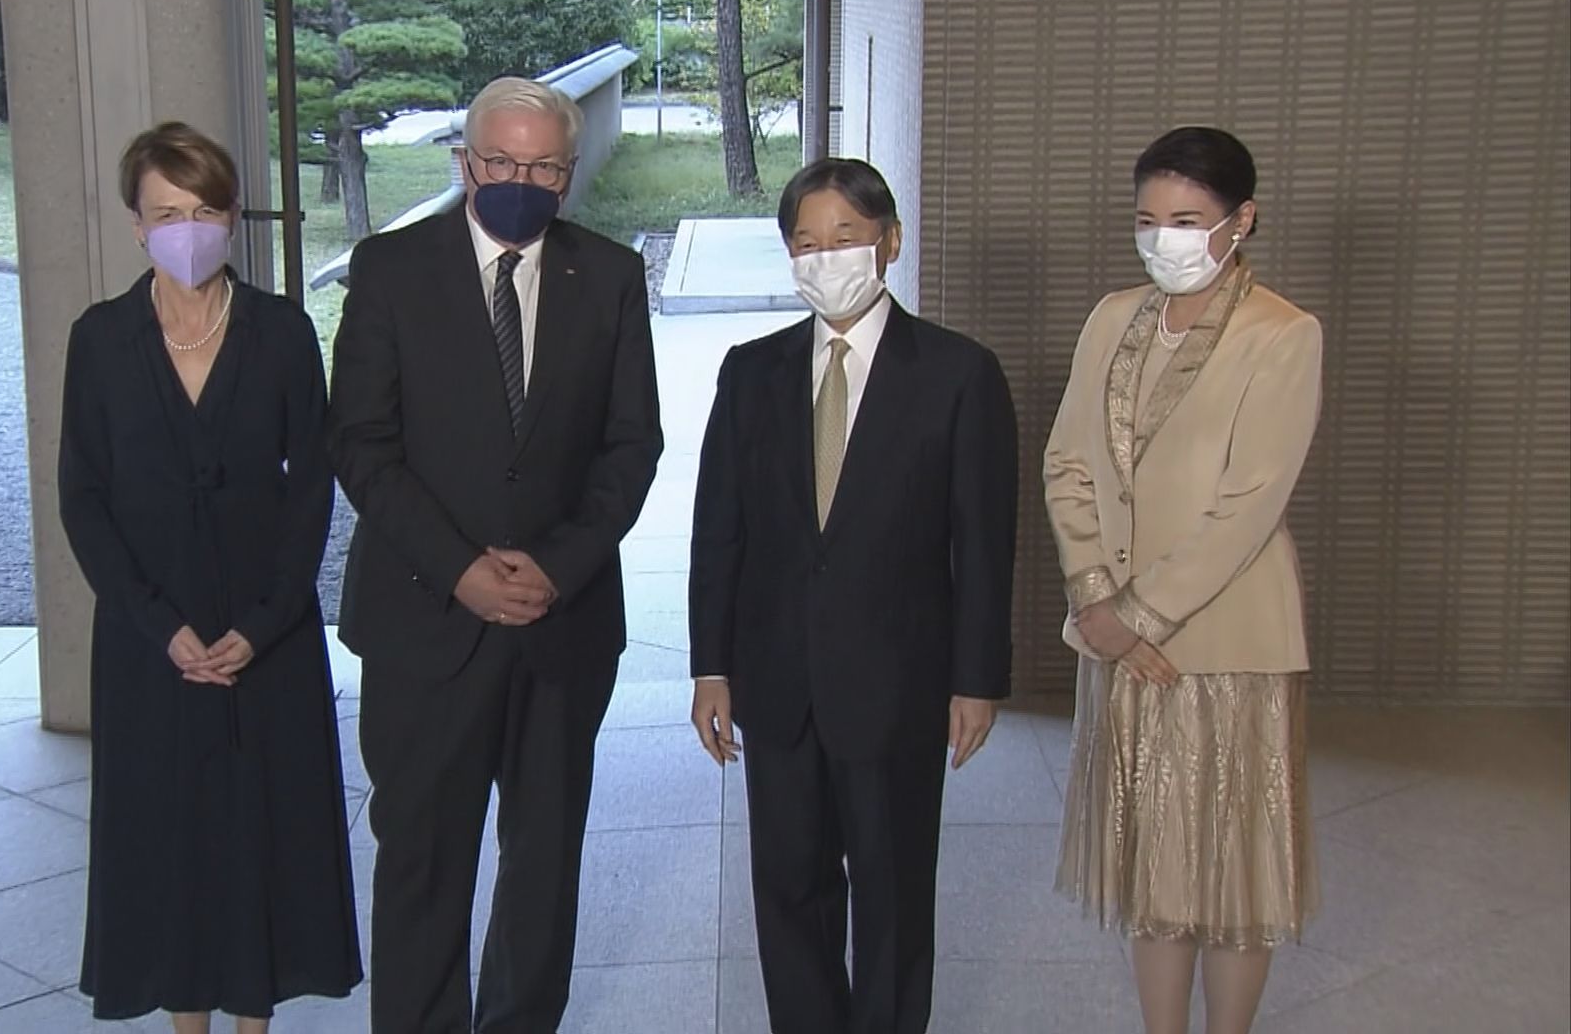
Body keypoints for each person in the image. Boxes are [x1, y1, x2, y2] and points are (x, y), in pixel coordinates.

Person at [327, 77, 662, 1033]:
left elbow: (632, 445)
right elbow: (361, 442)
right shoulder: (391, 269)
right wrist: (460, 569)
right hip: (425, 619)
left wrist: (558, 564)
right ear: (466, 162)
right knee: (423, 858)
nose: (522, 181)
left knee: (544, 861)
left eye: (545, 167)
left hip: (563, 625)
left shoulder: (609, 275)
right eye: (502, 162)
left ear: (570, 170)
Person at [688, 158, 1020, 1033]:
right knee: (788, 890)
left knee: (893, 893)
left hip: (898, 684)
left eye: (845, 237)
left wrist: (977, 679)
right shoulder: (750, 372)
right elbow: (719, 531)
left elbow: (984, 542)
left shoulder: (958, 374)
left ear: (890, 242)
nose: (824, 258)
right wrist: (711, 667)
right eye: (806, 243)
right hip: (777, 682)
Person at [59, 121, 362, 1032]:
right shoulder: (100, 340)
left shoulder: (282, 332)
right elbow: (84, 499)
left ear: (231, 218)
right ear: (136, 225)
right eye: (165, 214)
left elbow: (311, 489)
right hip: (149, 641)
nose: (185, 231)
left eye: (202, 211)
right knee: (167, 841)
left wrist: (265, 621)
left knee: (262, 836)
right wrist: (158, 625)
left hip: (265, 633)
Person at [1046, 127, 1323, 1034]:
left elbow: (1248, 503)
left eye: (1188, 219)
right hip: (1118, 633)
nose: (1165, 239)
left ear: (1242, 220)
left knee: (1233, 872)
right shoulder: (1110, 318)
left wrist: (1138, 615)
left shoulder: (1282, 333)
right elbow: (1067, 464)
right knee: (1151, 864)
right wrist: (1097, 600)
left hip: (1228, 640)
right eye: (1148, 220)